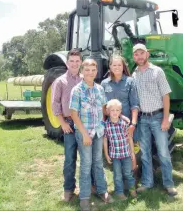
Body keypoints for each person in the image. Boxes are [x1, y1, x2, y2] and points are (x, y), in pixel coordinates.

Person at [131, 43, 178, 196]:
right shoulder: (134, 74)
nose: (139, 56)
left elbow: (166, 95)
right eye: (136, 54)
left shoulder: (157, 72)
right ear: (134, 57)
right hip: (143, 119)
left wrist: (165, 119)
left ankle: (168, 183)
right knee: (145, 153)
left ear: (147, 55)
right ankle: (147, 183)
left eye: (141, 53)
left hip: (158, 117)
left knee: (163, 152)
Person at [69, 59, 114, 211]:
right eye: (87, 70)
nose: (90, 73)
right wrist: (85, 135)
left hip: (98, 132)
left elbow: (103, 109)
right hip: (84, 134)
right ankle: (84, 197)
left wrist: (114, 117)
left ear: (96, 72)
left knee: (98, 162)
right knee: (86, 164)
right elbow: (74, 115)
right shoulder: (77, 90)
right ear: (82, 71)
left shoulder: (100, 89)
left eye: (93, 70)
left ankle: (102, 191)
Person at [51, 49, 85, 201]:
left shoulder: (85, 79)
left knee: (87, 157)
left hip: (84, 123)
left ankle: (89, 186)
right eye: (72, 61)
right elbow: (55, 104)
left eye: (77, 61)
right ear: (67, 63)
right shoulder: (60, 81)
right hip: (69, 124)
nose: (75, 63)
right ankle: (68, 189)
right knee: (70, 158)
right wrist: (63, 123)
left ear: (81, 62)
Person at [103, 99, 137, 200]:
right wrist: (106, 154)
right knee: (117, 175)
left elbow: (129, 138)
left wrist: (132, 152)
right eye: (112, 110)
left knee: (128, 173)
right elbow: (105, 140)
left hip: (126, 154)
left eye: (117, 110)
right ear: (108, 111)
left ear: (120, 111)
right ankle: (119, 192)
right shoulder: (106, 125)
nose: (115, 112)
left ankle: (132, 189)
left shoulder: (123, 123)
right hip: (115, 156)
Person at [100, 55, 139, 141]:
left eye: (119, 65)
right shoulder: (104, 83)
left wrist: (133, 124)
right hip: (110, 125)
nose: (117, 67)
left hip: (127, 124)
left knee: (130, 150)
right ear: (110, 66)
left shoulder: (130, 81)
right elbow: (103, 107)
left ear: (123, 66)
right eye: (114, 65)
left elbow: (134, 105)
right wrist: (103, 124)